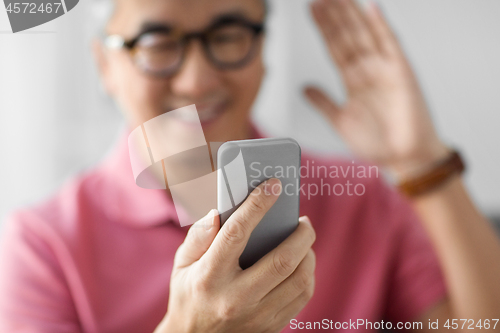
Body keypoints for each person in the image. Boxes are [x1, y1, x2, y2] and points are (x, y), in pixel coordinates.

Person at [1, 0, 500, 332]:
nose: (196, 81)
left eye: (229, 34)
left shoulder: (361, 200)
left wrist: (421, 160)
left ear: (262, 50)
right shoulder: (43, 246)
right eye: (157, 43)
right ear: (105, 65)